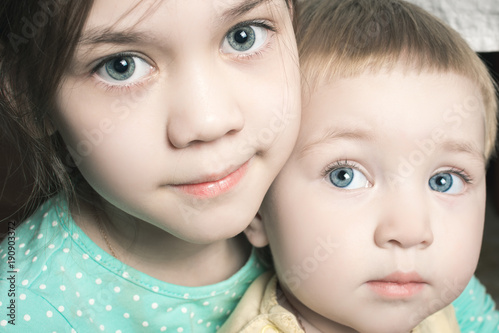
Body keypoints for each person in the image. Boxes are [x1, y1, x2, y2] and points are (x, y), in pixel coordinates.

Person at [0, 0, 300, 331]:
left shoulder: (338, 185)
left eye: (243, 36)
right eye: (122, 66)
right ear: (28, 94)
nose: (209, 121)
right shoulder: (23, 310)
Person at [220, 0, 499, 332]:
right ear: (256, 208)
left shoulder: (455, 309)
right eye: (345, 176)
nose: (410, 231)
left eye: (445, 181)